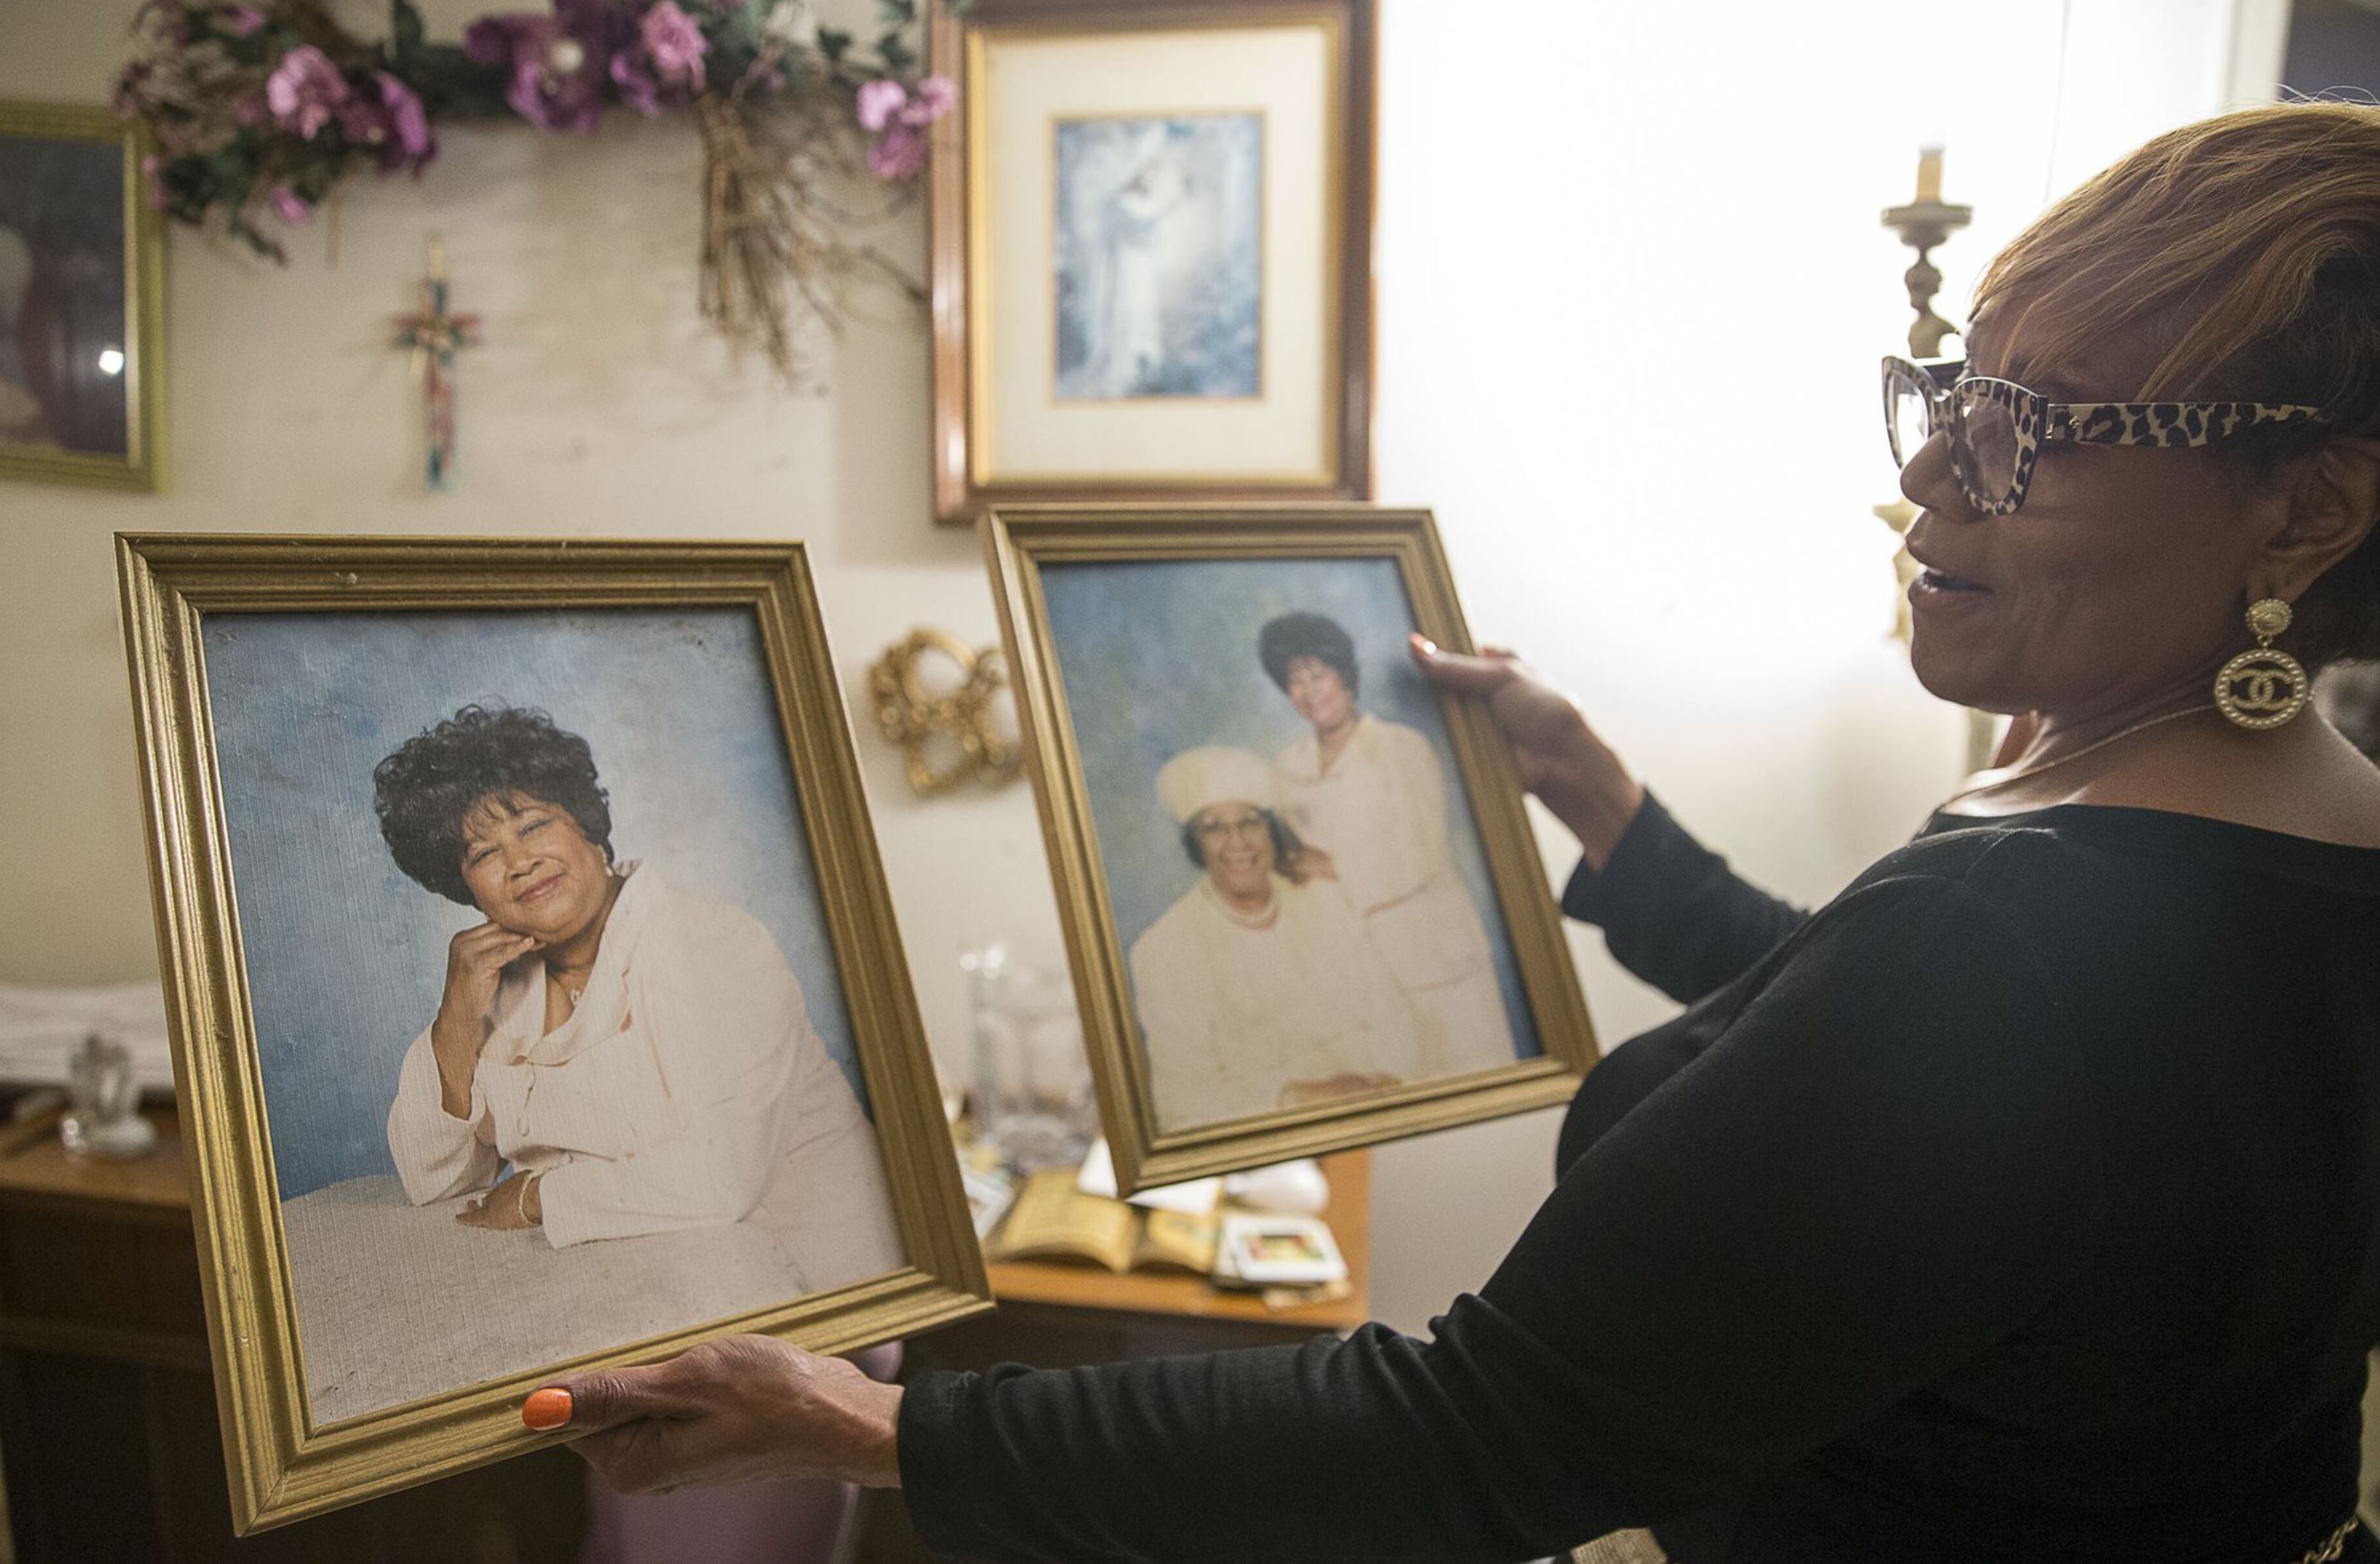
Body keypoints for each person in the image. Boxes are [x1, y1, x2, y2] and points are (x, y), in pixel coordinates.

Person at [516, 103, 2380, 1563]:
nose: (1926, 470)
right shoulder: (2278, 850)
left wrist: (866, 1425)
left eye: (2039, 427)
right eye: (1954, 391)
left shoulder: (2010, 931)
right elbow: (1942, 1101)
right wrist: (1606, 811)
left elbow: (1462, 1435)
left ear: (2304, 509)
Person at [376, 703, 900, 1290]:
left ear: (586, 824)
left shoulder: (712, 944)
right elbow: (434, 1183)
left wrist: (536, 1196)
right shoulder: (494, 990)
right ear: (464, 886)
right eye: (484, 854)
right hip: (647, 1287)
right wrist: (455, 1019)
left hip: (820, 1280)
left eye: (533, 826)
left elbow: (724, 1176)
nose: (520, 863)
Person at [1258, 609, 1520, 1075]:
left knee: (1473, 1078)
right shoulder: (1288, 765)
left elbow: (1420, 855)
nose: (1309, 692)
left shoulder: (1403, 748)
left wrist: (1331, 867)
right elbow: (1290, 860)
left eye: (1318, 675)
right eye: (1294, 682)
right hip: (1358, 971)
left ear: (1345, 674)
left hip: (1436, 959)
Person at [1126, 744, 1414, 1126]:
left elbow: (1395, 1017)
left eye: (1250, 822)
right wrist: (1295, 1098)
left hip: (1379, 1110)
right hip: (1272, 1137)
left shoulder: (1327, 901)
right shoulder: (1164, 950)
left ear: (1271, 832)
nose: (1237, 842)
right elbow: (1181, 1103)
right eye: (1214, 828)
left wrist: (1387, 1083)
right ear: (1196, 844)